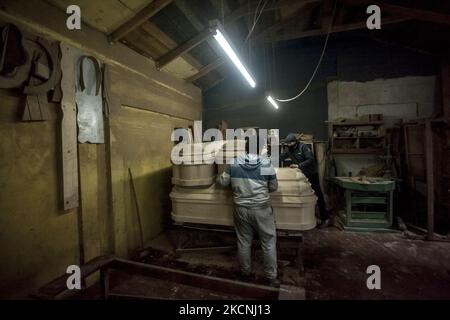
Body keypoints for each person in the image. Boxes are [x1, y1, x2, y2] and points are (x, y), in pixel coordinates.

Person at [217, 135, 279, 286]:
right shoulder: (266, 164)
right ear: (260, 148)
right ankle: (271, 276)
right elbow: (273, 187)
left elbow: (223, 183)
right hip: (261, 209)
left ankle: (245, 272)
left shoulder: (233, 162)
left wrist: (218, 177)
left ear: (245, 147)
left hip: (240, 208)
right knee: (268, 242)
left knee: (244, 241)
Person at [280, 133, 330, 227]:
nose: (288, 146)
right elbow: (282, 157)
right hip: (301, 173)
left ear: (294, 142)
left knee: (317, 194)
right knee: (302, 194)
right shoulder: (289, 149)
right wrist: (268, 160)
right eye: (287, 144)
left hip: (311, 173)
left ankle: (325, 218)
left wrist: (298, 165)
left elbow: (310, 159)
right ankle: (305, 216)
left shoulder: (303, 147)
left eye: (289, 144)